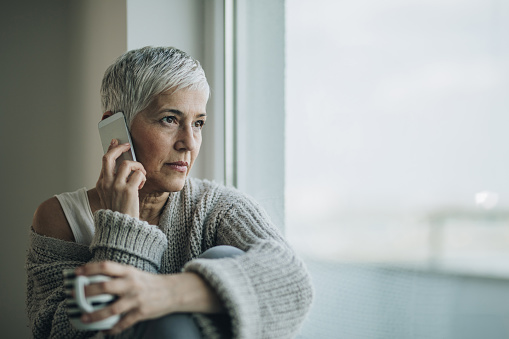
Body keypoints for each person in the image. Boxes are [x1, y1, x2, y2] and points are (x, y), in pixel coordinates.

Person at [26, 46, 313, 339]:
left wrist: (162, 292)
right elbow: (57, 333)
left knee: (223, 256)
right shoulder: (60, 219)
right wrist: (123, 226)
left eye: (198, 123)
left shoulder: (217, 207)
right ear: (115, 129)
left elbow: (292, 280)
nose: (189, 142)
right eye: (170, 119)